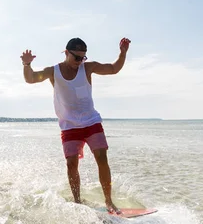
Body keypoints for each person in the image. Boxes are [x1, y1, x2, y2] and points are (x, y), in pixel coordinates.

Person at [20, 37, 131, 214]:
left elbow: (113, 69)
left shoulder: (88, 68)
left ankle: (109, 201)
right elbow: (31, 79)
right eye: (76, 58)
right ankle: (78, 202)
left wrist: (123, 53)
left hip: (91, 122)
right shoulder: (53, 72)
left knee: (102, 158)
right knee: (71, 164)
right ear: (66, 52)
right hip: (69, 126)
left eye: (83, 58)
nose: (80, 62)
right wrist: (26, 65)